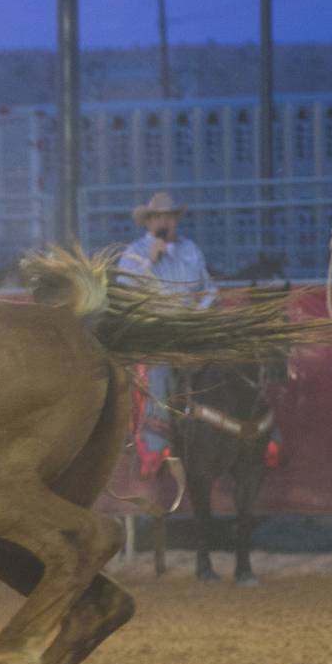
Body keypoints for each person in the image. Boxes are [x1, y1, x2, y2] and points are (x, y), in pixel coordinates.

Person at [116, 191, 217, 472]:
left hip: (189, 326)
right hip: (154, 330)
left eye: (169, 217)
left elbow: (208, 289)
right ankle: (154, 444)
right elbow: (125, 292)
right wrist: (150, 262)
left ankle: (231, 434)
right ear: (148, 223)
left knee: (227, 362)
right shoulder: (134, 253)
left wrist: (196, 315)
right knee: (159, 369)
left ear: (175, 221)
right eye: (158, 217)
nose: (164, 222)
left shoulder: (190, 249)